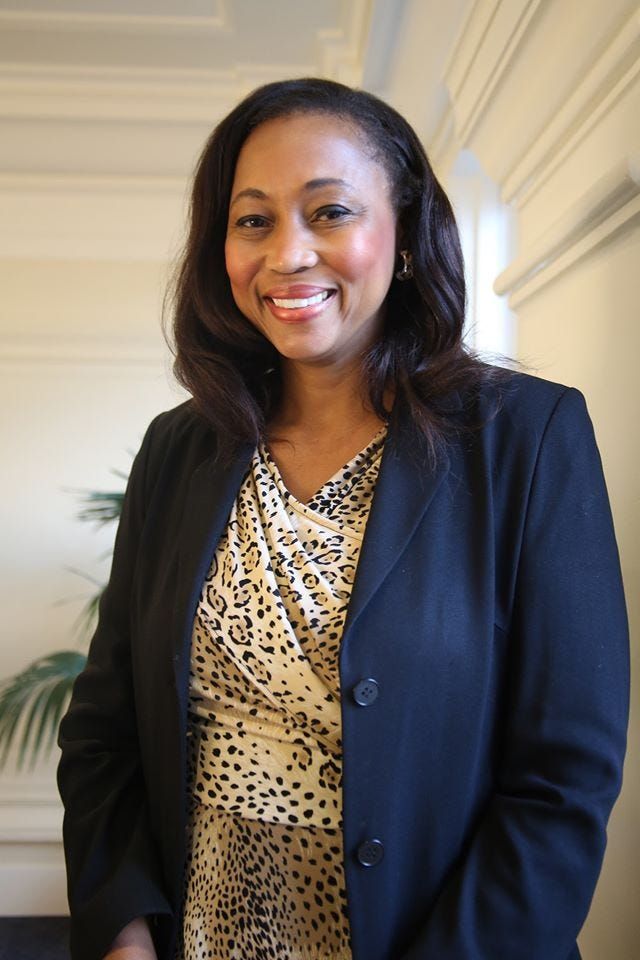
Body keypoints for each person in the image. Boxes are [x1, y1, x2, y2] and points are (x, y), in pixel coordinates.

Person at [57, 78, 629, 960]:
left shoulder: (525, 436)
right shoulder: (178, 448)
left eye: (329, 212)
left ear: (405, 236)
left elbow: (563, 781)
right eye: (253, 220)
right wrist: (124, 931)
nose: (287, 253)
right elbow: (105, 728)